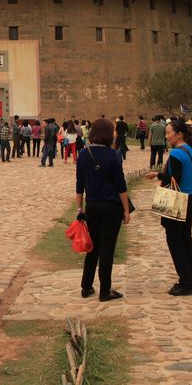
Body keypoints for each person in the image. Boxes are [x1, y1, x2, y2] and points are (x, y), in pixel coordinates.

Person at [76, 118, 131, 301]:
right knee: (107, 249)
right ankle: (105, 290)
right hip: (111, 207)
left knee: (93, 247)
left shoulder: (83, 154)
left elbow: (79, 185)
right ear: (109, 134)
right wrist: (126, 210)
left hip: (92, 206)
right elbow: (121, 185)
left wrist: (79, 207)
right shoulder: (113, 155)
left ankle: (86, 286)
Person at [145, 119, 192, 296]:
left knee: (174, 241)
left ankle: (185, 282)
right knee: (185, 239)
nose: (167, 136)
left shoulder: (177, 153)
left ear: (179, 134)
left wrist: (157, 174)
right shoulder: (189, 150)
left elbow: (173, 178)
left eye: (169, 133)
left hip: (177, 200)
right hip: (190, 197)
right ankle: (189, 277)